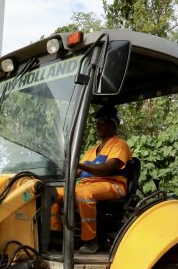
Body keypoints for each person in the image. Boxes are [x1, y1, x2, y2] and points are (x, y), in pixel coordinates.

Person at [50, 104, 133, 253]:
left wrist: (79, 165)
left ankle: (90, 240)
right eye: (97, 121)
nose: (98, 124)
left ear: (114, 123)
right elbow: (75, 171)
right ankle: (55, 234)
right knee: (52, 194)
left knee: (84, 194)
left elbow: (108, 168)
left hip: (112, 185)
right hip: (86, 185)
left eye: (103, 120)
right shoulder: (92, 150)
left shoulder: (120, 145)